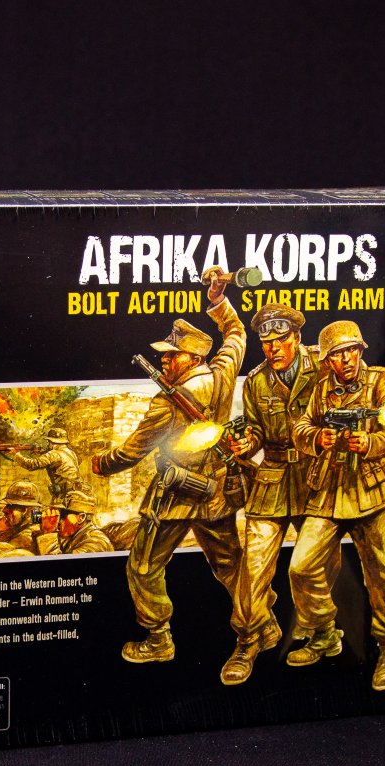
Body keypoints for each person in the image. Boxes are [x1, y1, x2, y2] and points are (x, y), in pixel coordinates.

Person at [91, 268, 246, 664]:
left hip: (176, 494)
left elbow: (134, 450)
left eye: (171, 355)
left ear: (193, 358)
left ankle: (159, 640)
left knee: (143, 567)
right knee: (231, 567)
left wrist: (102, 464)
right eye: (164, 354)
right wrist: (218, 300)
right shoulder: (223, 373)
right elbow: (236, 334)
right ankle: (261, 624)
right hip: (216, 492)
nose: (164, 359)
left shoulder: (166, 403)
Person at [289, 320, 385, 690]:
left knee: (381, 576)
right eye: (338, 354)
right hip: (329, 490)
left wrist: (371, 443)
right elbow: (300, 428)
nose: (346, 359)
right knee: (301, 567)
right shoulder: (322, 388)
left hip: (371, 492)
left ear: (360, 351)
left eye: (352, 351)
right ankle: (324, 631)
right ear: (328, 360)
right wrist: (317, 437)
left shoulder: (383, 381)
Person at [219, 303, 328, 685]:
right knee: (254, 566)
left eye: (281, 340)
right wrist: (245, 443)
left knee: (315, 565)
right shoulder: (256, 381)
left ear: (297, 337)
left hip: (317, 476)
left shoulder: (323, 367)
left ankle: (322, 632)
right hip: (274, 478)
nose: (273, 348)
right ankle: (248, 639)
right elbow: (255, 431)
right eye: (267, 343)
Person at [8, 428, 82, 504]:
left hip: (63, 495)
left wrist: (16, 454)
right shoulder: (71, 453)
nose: (48, 444)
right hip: (75, 493)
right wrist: (40, 453)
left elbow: (31, 465)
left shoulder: (52, 454)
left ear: (52, 442)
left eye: (49, 442)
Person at [54, 490, 113, 554]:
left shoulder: (96, 542)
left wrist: (50, 535)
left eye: (63, 515)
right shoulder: (74, 537)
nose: (58, 521)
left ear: (81, 518)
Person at [0, 480, 43, 554]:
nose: (4, 510)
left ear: (25, 510)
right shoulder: (32, 524)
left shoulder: (24, 539)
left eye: (11, 506)